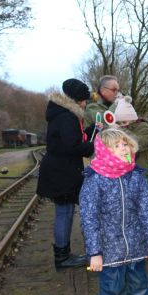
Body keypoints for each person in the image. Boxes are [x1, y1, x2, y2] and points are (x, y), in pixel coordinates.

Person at [79, 127, 148, 295]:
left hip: (136, 248)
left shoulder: (136, 176)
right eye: (116, 146)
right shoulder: (94, 180)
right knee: (111, 292)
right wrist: (94, 253)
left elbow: (146, 211)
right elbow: (89, 219)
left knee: (141, 287)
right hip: (109, 252)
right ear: (104, 151)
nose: (122, 148)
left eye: (125, 143)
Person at [36, 78, 94, 269]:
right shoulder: (67, 116)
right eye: (84, 100)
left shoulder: (61, 114)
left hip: (60, 169)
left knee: (65, 212)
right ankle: (62, 257)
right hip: (62, 171)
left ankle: (63, 253)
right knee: (64, 213)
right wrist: (93, 146)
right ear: (77, 99)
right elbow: (74, 146)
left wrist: (92, 130)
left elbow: (73, 139)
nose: (86, 103)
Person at [113, 95, 148, 170]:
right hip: (123, 173)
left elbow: (138, 144)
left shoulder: (144, 128)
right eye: (119, 123)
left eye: (124, 122)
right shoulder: (120, 130)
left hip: (142, 174)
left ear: (132, 119)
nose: (122, 125)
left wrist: (121, 130)